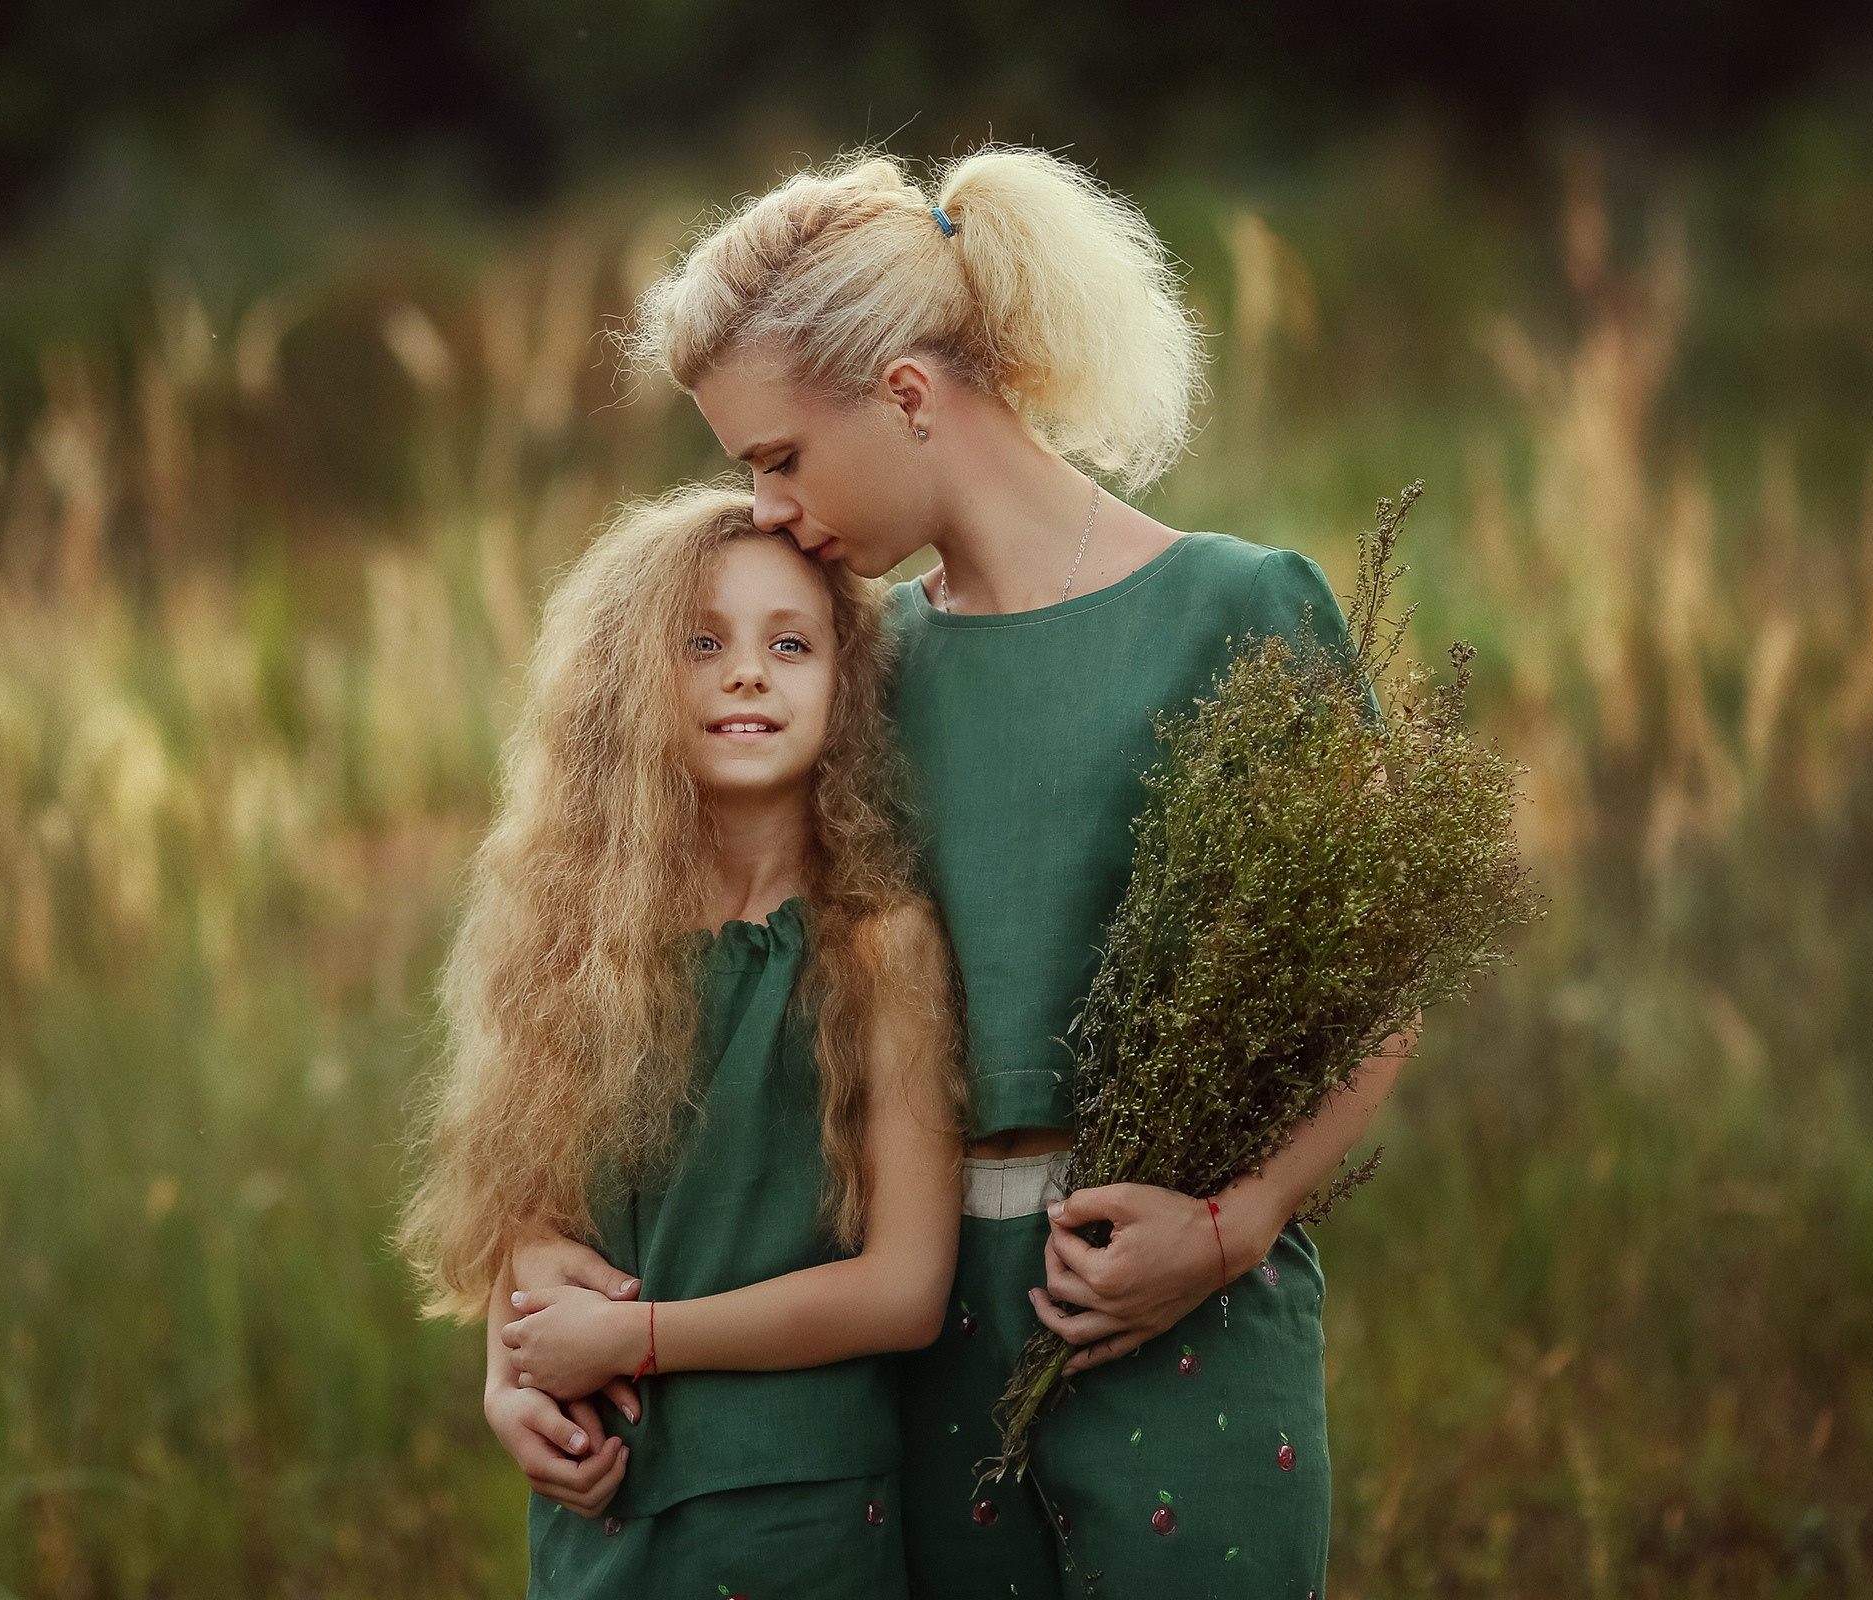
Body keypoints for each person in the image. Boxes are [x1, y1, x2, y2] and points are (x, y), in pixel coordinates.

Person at [508, 147, 1417, 1596]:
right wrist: (530, 1302)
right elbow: (692, 994)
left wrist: (1231, 1226)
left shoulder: (1238, 609)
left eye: (779, 458)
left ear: (907, 396)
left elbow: (1386, 981)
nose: (769, 509)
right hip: (916, 1348)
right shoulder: (857, 669)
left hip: (1182, 1315)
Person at [398, 486, 968, 1597]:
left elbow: (905, 1290)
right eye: (700, 643)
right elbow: (534, 1218)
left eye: (789, 644)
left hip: (798, 1518)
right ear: (626, 681)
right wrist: (508, 1383)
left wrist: (640, 1339)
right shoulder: (575, 940)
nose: (747, 673)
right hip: (602, 1518)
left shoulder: (877, 943)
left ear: (846, 683)